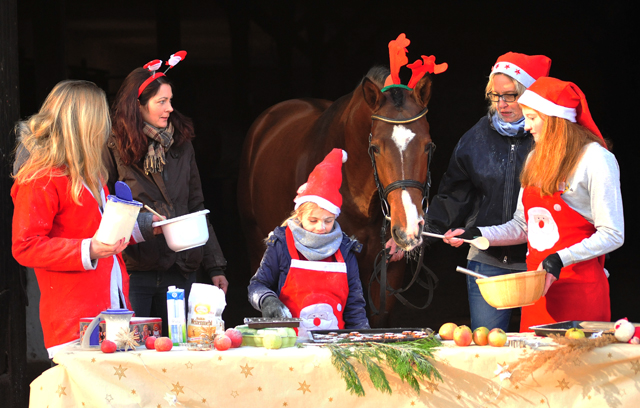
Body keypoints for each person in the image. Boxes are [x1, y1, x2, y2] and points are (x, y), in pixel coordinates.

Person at [449, 77, 624, 331]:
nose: (526, 126)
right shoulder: (533, 158)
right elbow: (523, 225)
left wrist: (561, 258)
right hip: (537, 295)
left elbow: (613, 233)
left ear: (554, 119)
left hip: (580, 293)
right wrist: (479, 233)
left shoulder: (596, 159)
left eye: (532, 118)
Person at [422, 52, 552, 332]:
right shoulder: (475, 138)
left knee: (543, 350)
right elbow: (453, 194)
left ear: (531, 95)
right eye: (495, 96)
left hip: (539, 264)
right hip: (487, 261)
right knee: (490, 347)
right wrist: (423, 234)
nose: (502, 104)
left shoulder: (549, 139)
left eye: (511, 95)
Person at [105, 53, 228, 337]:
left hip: (181, 268)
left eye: (171, 100)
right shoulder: (113, 148)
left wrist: (215, 266)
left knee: (181, 353)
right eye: (162, 101)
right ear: (137, 106)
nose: (170, 108)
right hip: (135, 271)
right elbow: (105, 209)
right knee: (132, 353)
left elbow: (197, 207)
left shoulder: (182, 145)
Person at [11, 80, 133, 357]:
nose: (106, 127)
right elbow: (25, 246)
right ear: (83, 124)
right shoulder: (41, 176)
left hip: (110, 309)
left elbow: (97, 230)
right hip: (73, 321)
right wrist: (88, 249)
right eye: (101, 118)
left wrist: (148, 228)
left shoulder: (89, 174)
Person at [247, 149, 370, 337]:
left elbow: (354, 304)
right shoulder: (281, 244)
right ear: (300, 215)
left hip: (334, 347)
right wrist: (267, 300)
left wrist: (363, 339)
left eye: (328, 221)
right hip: (289, 346)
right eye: (313, 220)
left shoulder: (344, 249)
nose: (321, 227)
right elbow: (257, 286)